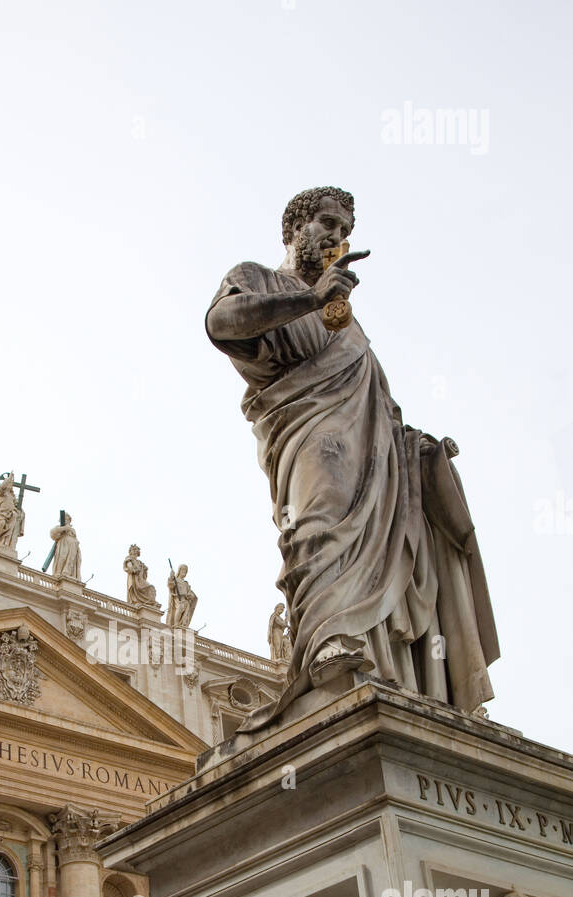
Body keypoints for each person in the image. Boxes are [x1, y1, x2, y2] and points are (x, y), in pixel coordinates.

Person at [206, 185, 498, 723]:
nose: (337, 238)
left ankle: (380, 662)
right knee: (318, 525)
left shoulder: (351, 323)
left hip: (374, 456)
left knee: (371, 538)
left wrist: (420, 452)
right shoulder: (260, 279)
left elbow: (384, 412)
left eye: (345, 232)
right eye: (327, 224)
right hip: (306, 433)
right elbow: (221, 324)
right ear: (294, 229)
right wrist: (310, 300)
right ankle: (326, 646)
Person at [0, 472, 24, 551]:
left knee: (11, 528)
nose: (10, 485)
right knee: (1, 524)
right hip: (2, 514)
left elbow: (16, 504)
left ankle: (5, 544)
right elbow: (2, 487)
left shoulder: (11, 496)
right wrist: (9, 479)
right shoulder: (1, 493)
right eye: (9, 484)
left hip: (11, 515)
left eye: (11, 484)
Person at [50, 513, 81, 580]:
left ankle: (69, 574)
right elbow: (52, 533)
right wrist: (64, 528)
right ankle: (58, 574)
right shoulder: (59, 527)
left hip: (73, 546)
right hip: (63, 544)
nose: (64, 520)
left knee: (71, 560)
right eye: (63, 519)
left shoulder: (73, 530)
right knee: (62, 558)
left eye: (66, 518)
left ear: (69, 520)